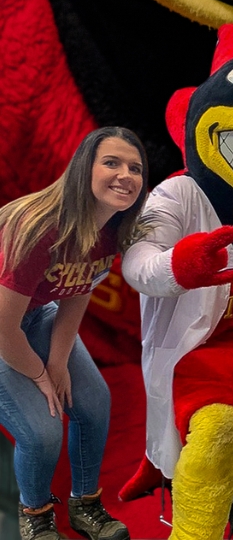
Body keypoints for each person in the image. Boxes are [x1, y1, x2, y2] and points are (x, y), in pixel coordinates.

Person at [0, 127, 148, 540]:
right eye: (112, 163)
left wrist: (59, 360)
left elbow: (78, 290)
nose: (126, 175)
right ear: (85, 169)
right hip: (2, 326)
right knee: (44, 432)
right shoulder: (40, 228)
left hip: (33, 315)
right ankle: (36, 516)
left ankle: (85, 505)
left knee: (95, 402)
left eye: (135, 168)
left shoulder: (112, 228)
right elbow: (3, 328)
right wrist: (41, 374)